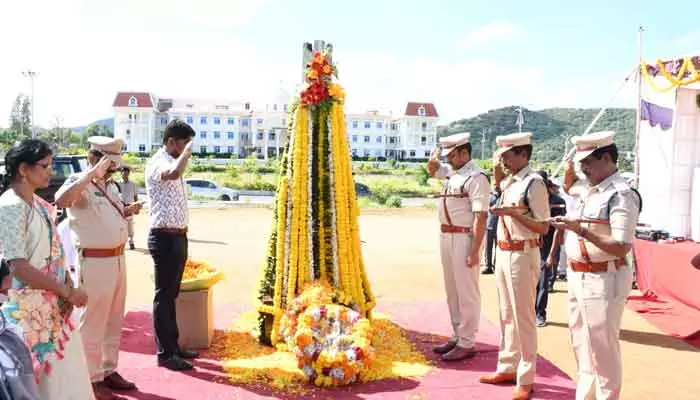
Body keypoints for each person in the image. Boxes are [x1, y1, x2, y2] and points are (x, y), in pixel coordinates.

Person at [0, 139, 94, 399]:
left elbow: (55, 256)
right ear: (23, 169)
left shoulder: (39, 205)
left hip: (55, 307)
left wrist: (69, 291)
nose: (49, 171)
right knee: (40, 382)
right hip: (27, 311)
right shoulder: (10, 206)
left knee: (65, 378)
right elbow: (18, 267)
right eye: (44, 166)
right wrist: (66, 290)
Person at [551, 131, 641, 400]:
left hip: (604, 277)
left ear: (606, 158)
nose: (584, 168)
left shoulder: (621, 195)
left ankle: (607, 396)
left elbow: (620, 246)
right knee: (581, 340)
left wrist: (580, 230)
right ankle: (586, 394)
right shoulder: (589, 189)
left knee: (602, 346)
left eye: (587, 162)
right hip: (580, 275)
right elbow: (568, 185)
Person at [55, 136, 142, 399]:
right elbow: (61, 200)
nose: (114, 168)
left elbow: (108, 215)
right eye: (109, 163)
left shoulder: (111, 186)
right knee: (93, 322)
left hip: (117, 259)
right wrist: (90, 175)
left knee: (114, 319)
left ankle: (108, 369)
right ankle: (89, 378)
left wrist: (128, 211)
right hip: (94, 261)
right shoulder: (80, 182)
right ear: (95, 157)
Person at [479, 132, 550, 400]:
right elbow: (500, 188)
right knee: (506, 314)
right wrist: (499, 174)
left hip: (523, 252)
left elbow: (543, 226)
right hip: (505, 253)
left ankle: (526, 378)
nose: (504, 161)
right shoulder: (511, 182)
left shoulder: (534, 184)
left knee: (523, 318)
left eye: (507, 156)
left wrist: (513, 215)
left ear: (523, 154)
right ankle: (507, 366)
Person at [426, 133, 489, 361]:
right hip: (447, 235)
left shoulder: (476, 177)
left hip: (464, 238)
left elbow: (480, 217)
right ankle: (457, 334)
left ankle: (467, 341)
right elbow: (432, 170)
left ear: (464, 152)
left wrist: (475, 251)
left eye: (452, 155)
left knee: (467, 292)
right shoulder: (454, 173)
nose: (448, 160)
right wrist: (433, 160)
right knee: (452, 290)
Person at [146, 119, 197, 371]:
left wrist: (183, 154)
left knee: (171, 296)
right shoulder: (159, 162)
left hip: (177, 236)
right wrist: (185, 155)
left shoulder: (172, 160)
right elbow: (174, 173)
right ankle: (166, 354)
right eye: (184, 143)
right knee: (164, 296)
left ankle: (174, 347)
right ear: (171, 142)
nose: (188, 148)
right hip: (164, 237)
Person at [534, 170, 566, 327]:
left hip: (547, 246)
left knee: (542, 283)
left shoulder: (558, 202)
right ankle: (528, 312)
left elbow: (559, 230)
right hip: (530, 245)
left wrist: (552, 253)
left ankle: (540, 314)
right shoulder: (530, 200)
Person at [118, 167, 138, 250]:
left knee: (130, 224)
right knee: (121, 225)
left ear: (128, 174)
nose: (125, 175)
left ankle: (131, 241)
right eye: (123, 173)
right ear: (121, 173)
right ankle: (121, 243)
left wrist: (136, 207)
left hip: (130, 206)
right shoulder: (117, 184)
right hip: (120, 207)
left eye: (126, 173)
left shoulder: (133, 184)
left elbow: (135, 196)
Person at [483, 189, 501, 274]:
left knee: (499, 247)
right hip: (489, 225)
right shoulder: (489, 195)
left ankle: (496, 265)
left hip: (500, 226)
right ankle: (488, 266)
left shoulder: (504, 195)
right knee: (487, 247)